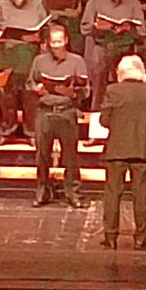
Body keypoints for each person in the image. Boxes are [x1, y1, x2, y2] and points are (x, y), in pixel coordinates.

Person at [100, 54, 146, 250]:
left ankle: (110, 236)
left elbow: (104, 120)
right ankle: (140, 237)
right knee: (141, 194)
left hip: (116, 149)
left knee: (113, 193)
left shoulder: (112, 91)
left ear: (121, 73)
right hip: (142, 149)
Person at [27, 24, 89, 208]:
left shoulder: (77, 61)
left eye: (59, 41)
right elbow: (30, 83)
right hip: (45, 112)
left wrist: (73, 93)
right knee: (42, 155)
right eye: (53, 42)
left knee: (70, 156)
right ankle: (43, 190)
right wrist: (37, 89)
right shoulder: (39, 61)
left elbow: (85, 90)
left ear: (66, 41)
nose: (56, 45)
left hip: (66, 111)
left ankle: (73, 192)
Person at [0, 0, 48, 137]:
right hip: (7, 60)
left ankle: (31, 133)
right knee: (7, 98)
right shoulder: (0, 7)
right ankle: (7, 132)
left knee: (30, 98)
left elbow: (45, 30)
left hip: (29, 60)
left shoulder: (36, 7)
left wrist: (38, 37)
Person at [80, 0, 146, 112]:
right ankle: (97, 116)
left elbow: (142, 32)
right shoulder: (95, 1)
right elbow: (84, 28)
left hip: (125, 51)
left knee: (126, 89)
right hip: (102, 47)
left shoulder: (133, 4)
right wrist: (98, 27)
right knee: (99, 87)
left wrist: (129, 28)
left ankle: (124, 116)